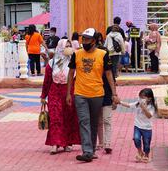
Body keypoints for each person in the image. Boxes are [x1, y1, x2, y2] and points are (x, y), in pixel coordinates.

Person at [67, 28, 120, 162]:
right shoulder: (77, 54)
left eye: (87, 39)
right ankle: (88, 151)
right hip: (80, 93)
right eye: (83, 39)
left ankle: (92, 149)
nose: (84, 41)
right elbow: (70, 73)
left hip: (97, 94)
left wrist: (114, 93)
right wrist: (68, 93)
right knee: (83, 121)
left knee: (94, 122)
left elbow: (109, 74)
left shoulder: (103, 54)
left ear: (94, 41)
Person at [40, 39, 81, 154]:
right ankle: (55, 143)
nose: (67, 48)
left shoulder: (73, 62)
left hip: (69, 92)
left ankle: (67, 143)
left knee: (68, 117)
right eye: (65, 46)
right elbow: (47, 81)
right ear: (60, 48)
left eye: (69, 46)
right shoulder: (52, 63)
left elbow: (77, 80)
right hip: (55, 93)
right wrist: (43, 96)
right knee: (55, 118)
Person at [119, 88, 157, 163]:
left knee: (146, 143)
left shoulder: (152, 107)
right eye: (140, 97)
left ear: (149, 98)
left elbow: (149, 116)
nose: (141, 99)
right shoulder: (137, 104)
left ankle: (146, 155)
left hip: (147, 128)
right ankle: (140, 152)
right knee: (136, 138)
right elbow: (129, 105)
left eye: (143, 97)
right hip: (137, 126)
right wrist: (119, 102)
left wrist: (144, 108)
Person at [97, 71, 116, 155]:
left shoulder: (108, 69)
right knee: (98, 122)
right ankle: (101, 142)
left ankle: (107, 143)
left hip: (107, 98)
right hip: (95, 97)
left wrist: (114, 96)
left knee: (107, 120)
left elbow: (113, 83)